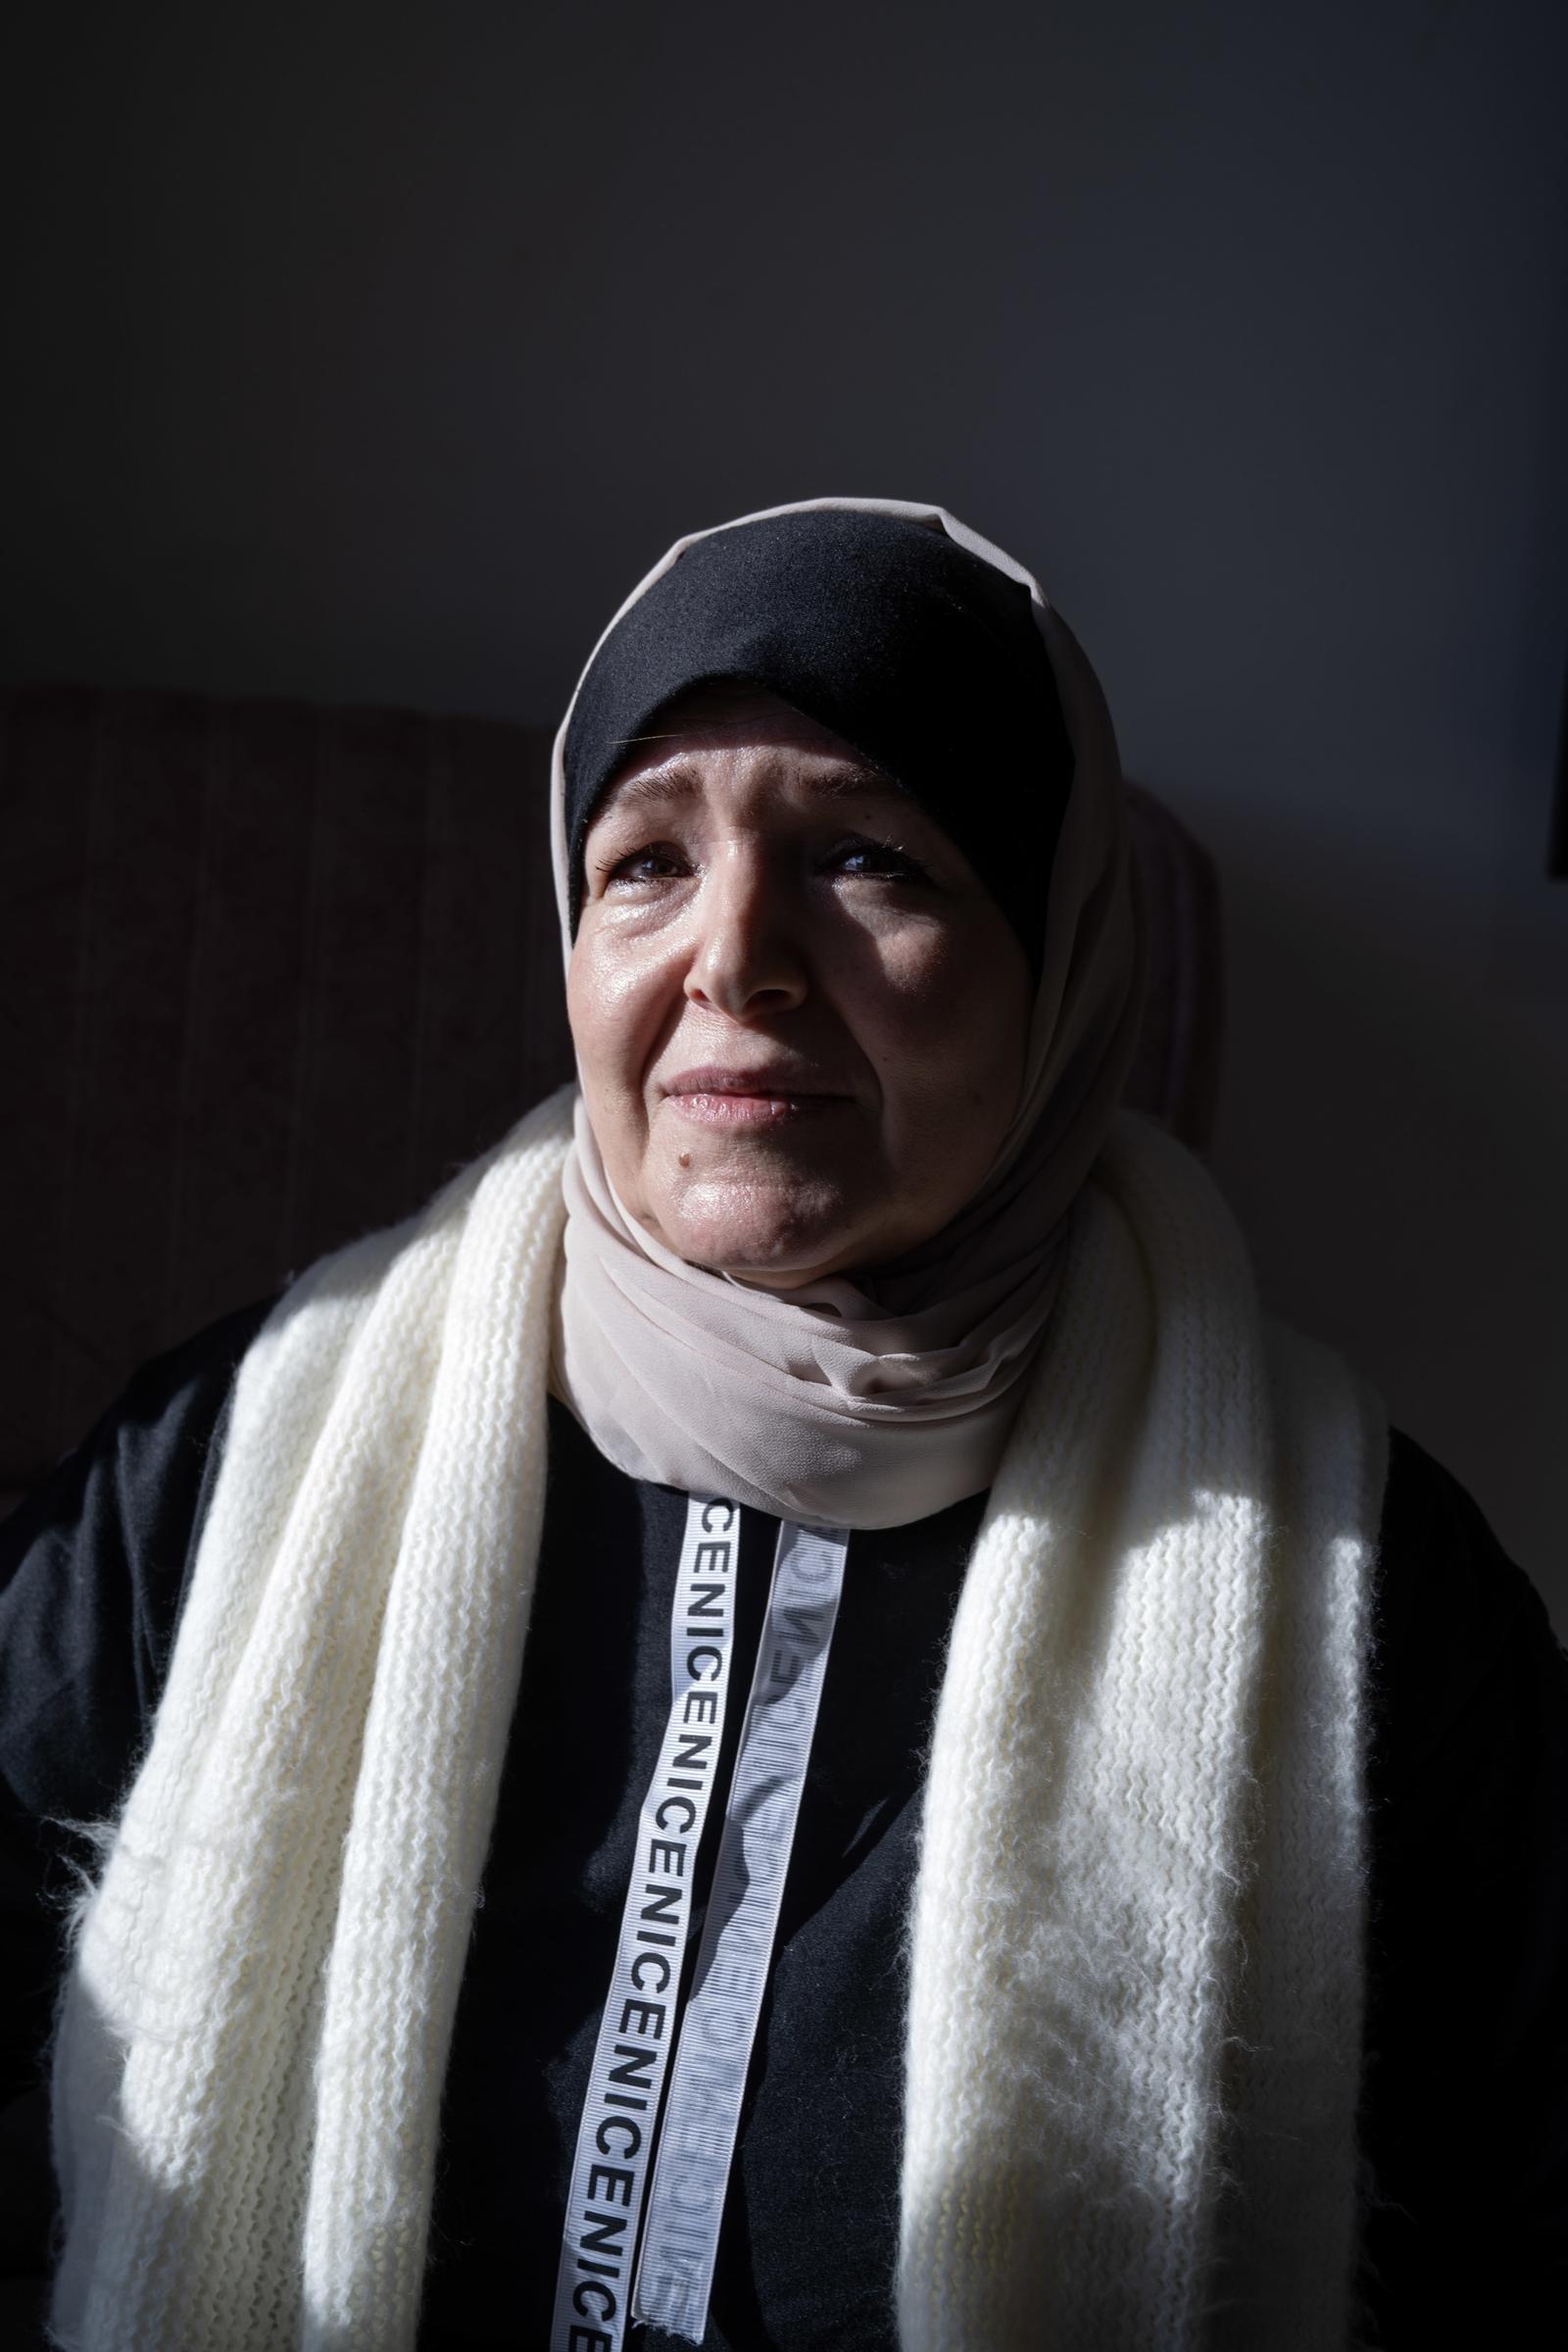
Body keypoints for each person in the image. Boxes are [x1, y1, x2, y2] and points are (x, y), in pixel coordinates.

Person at [1, 497, 1564, 2352]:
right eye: (646, 863)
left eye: (867, 857)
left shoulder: (1359, 1591)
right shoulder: (226, 1462)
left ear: (1058, 957)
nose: (734, 958)